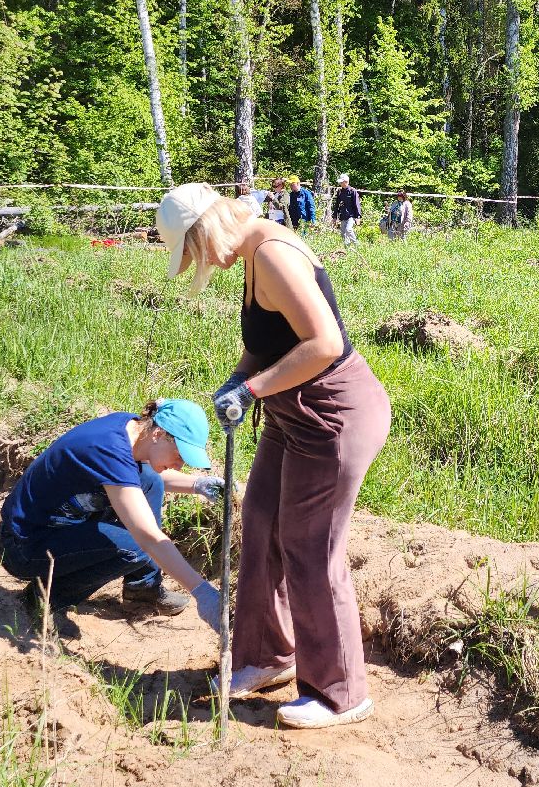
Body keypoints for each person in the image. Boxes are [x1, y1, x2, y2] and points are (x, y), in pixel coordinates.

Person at [156, 182, 390, 730]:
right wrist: (239, 376)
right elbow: (267, 337)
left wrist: (252, 390)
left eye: (193, 250)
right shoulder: (251, 253)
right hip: (292, 414)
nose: (200, 263)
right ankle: (267, 656)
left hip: (333, 415)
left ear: (206, 229)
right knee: (260, 521)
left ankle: (340, 692)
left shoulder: (273, 253)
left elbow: (325, 344)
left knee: (310, 544)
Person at [0, 400, 226, 641]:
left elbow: (138, 474)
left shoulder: (131, 429)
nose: (180, 465)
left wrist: (198, 484)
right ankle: (45, 600)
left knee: (150, 480)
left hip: (56, 528)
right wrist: (201, 591)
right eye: (179, 455)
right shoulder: (109, 451)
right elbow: (149, 538)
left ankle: (143, 587)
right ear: (159, 434)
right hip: (23, 546)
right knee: (137, 548)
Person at [332, 173, 361, 246]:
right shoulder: (340, 192)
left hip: (351, 216)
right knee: (343, 234)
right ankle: (347, 248)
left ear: (346, 182)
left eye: (341, 182)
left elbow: (357, 204)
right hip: (343, 215)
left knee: (348, 230)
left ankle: (356, 244)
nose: (340, 184)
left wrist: (358, 217)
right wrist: (335, 217)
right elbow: (337, 205)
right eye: (340, 182)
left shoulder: (353, 191)